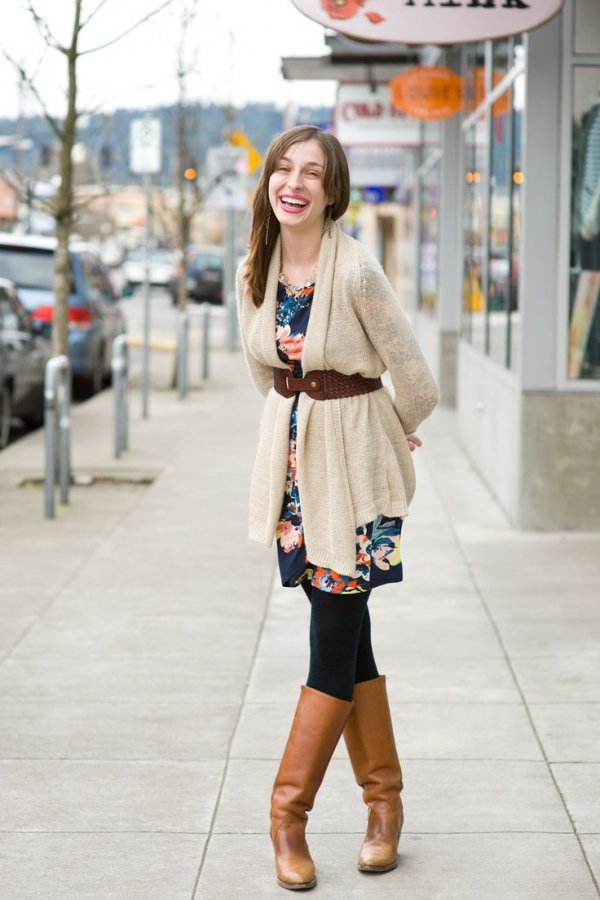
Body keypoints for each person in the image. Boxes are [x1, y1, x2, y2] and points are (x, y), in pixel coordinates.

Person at [236, 125, 439, 891]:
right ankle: (384, 807)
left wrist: (385, 427)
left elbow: (414, 378)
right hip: (297, 475)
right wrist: (302, 419)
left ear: (332, 189)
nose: (294, 182)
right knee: (350, 642)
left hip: (355, 476)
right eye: (283, 168)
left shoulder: (355, 272)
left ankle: (287, 818)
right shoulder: (256, 264)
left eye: (311, 172)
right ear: (269, 183)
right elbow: (263, 367)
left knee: (332, 637)